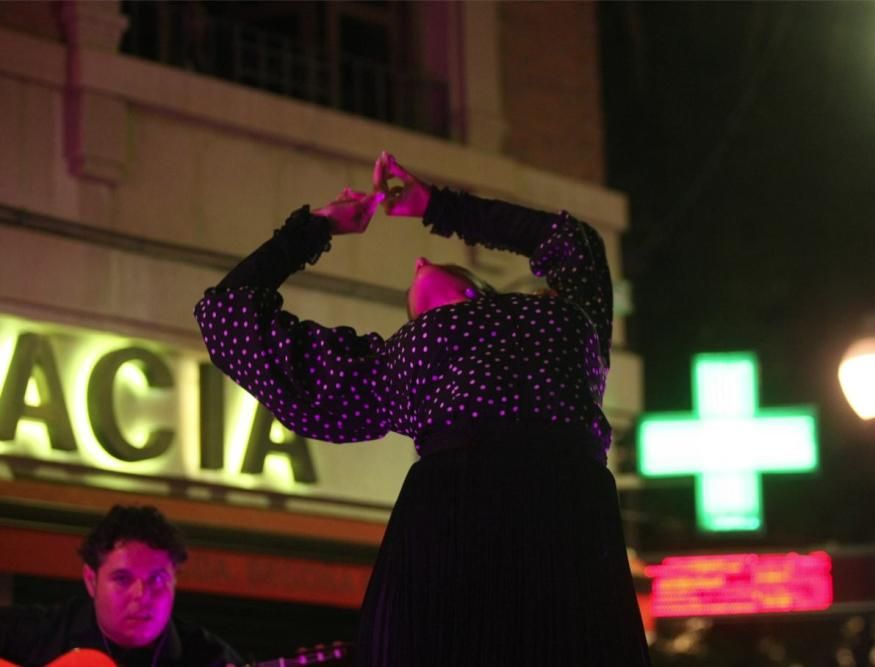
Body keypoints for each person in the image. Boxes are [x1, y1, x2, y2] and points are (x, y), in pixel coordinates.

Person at [194, 152, 650, 666]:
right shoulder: (393, 368)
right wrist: (314, 229)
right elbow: (226, 315)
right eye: (416, 317)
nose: (416, 265)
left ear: (482, 292)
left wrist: (439, 206)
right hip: (467, 532)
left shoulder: (568, 327)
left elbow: (574, 243)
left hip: (560, 529)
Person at [0, 505, 242, 667]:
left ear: (175, 581)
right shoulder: (45, 632)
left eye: (157, 580)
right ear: (91, 581)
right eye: (122, 579)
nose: (141, 595)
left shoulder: (211, 658)